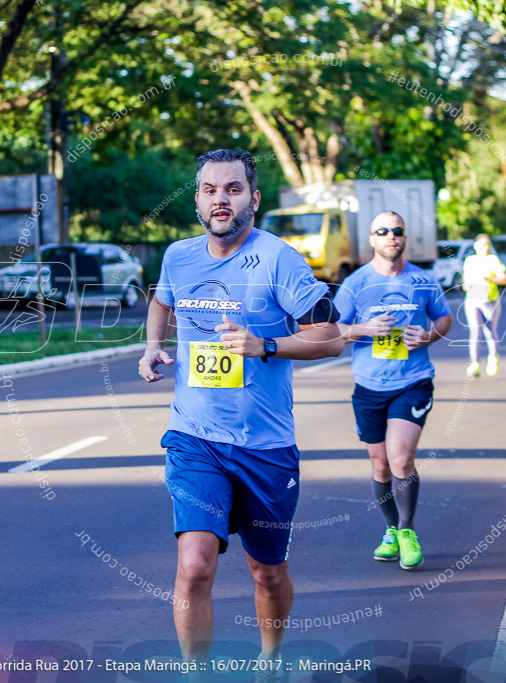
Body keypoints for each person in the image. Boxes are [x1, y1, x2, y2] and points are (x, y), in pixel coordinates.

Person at [138, 149, 344, 668]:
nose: (219, 200)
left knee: (267, 573)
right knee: (194, 566)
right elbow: (162, 300)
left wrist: (265, 345)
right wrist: (151, 345)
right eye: (209, 190)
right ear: (198, 200)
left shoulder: (280, 259)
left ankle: (271, 660)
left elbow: (330, 337)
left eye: (231, 189)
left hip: (266, 446)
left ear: (252, 198)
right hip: (195, 438)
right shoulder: (178, 257)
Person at [333, 211, 453, 570]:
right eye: (382, 231)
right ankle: (389, 529)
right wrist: (364, 329)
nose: (390, 236)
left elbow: (444, 317)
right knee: (380, 464)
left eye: (397, 231)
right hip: (369, 387)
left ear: (404, 238)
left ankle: (406, 530)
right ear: (371, 239)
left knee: (401, 457)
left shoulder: (423, 280)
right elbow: (333, 330)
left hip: (412, 383)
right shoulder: (356, 284)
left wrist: (429, 335)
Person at [460, 234, 506, 377]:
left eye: (487, 245)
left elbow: (505, 279)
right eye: (482, 245)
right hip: (472, 299)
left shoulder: (493, 260)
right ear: (475, 246)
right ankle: (474, 363)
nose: (485, 248)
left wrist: (490, 278)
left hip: (489, 300)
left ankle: (493, 356)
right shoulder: (470, 260)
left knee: (489, 331)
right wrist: (466, 285)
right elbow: (465, 277)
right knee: (474, 331)